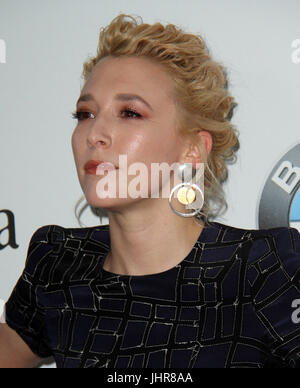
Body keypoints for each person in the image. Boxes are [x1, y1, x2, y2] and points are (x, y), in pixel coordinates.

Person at [0, 13, 299, 369]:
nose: (95, 134)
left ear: (193, 149)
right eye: (85, 113)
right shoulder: (58, 264)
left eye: (129, 113)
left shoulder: (263, 269)